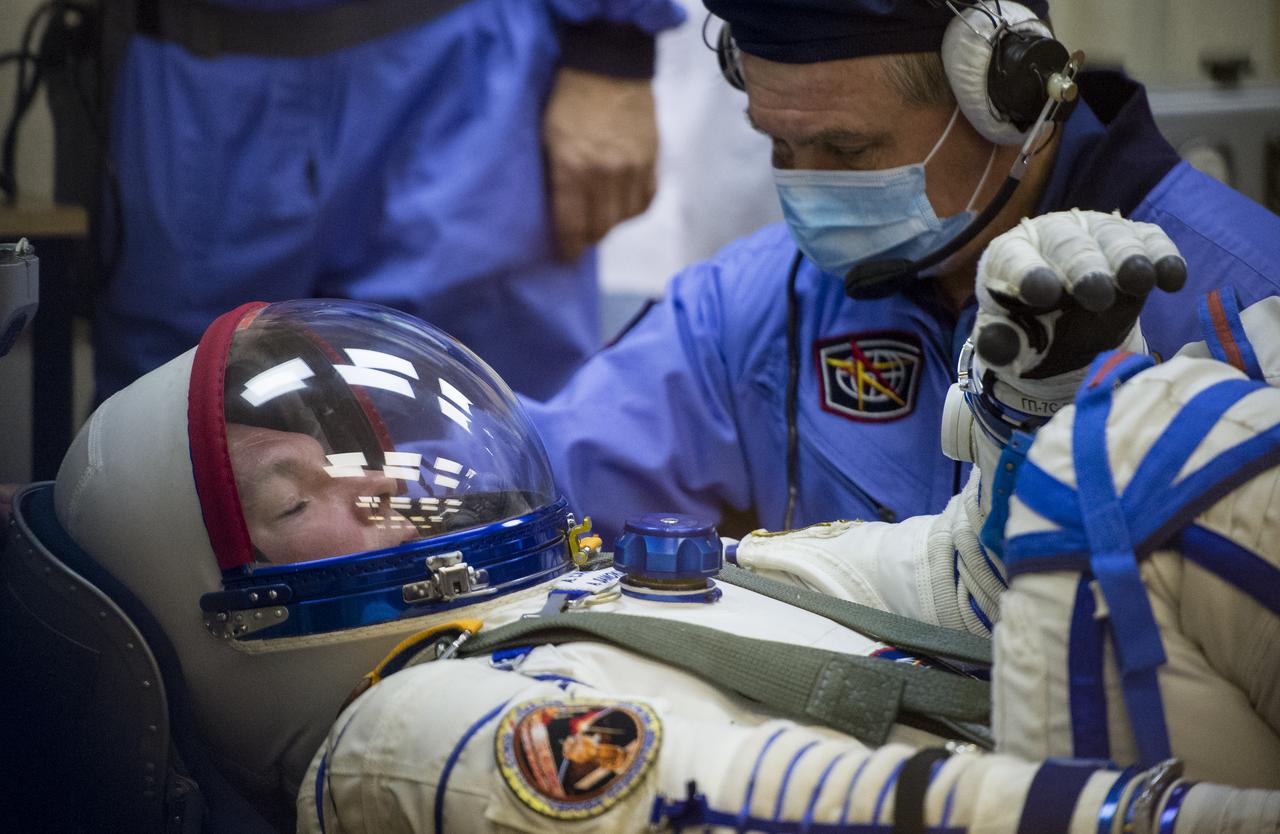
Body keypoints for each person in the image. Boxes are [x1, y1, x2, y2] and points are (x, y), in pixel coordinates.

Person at [521, 0, 1280, 544]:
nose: (806, 191)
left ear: (1010, 103)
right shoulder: (753, 303)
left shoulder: (1251, 304)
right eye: (779, 148)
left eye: (848, 153)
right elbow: (549, 471)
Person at [93, 0, 685, 403]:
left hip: (455, 71)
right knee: (186, 435)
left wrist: (613, 44)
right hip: (201, 76)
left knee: (487, 433)